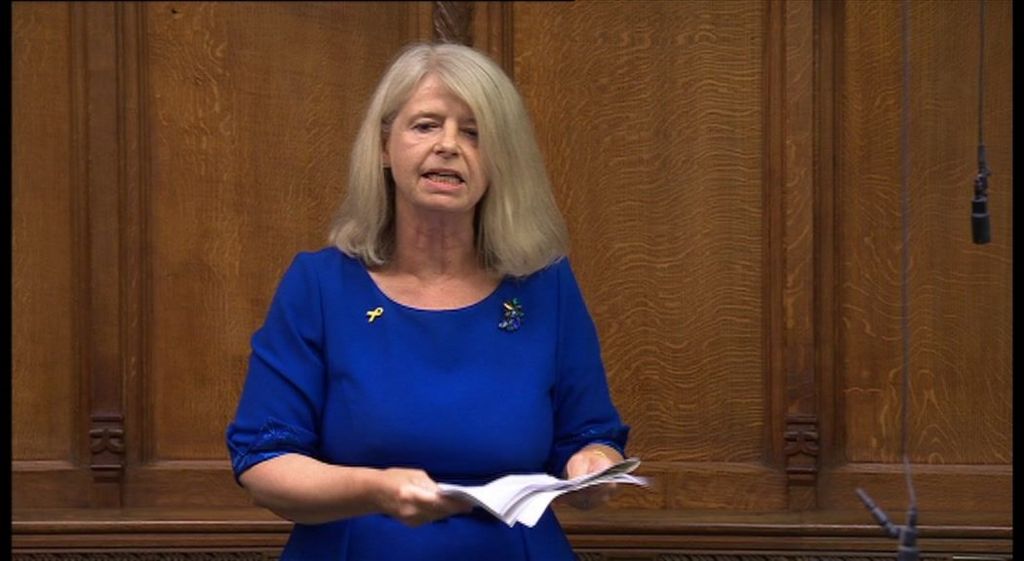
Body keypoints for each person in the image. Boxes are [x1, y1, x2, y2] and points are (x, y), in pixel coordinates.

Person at [225, 41, 630, 560]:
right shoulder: (319, 286)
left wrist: (593, 465)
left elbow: (589, 433)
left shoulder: (545, 285)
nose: (448, 145)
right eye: (425, 125)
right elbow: (264, 462)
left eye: (475, 133)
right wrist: (376, 490)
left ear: (500, 160)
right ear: (383, 146)